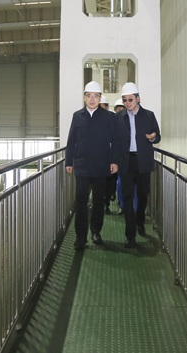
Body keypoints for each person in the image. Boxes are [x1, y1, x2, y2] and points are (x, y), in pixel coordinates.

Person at [65, 81, 119, 250]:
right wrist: (69, 161)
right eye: (89, 96)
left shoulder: (108, 117)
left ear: (100, 98)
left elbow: (115, 141)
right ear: (84, 98)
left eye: (95, 96)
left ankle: (96, 231)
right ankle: (80, 237)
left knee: (98, 200)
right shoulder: (77, 116)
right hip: (81, 166)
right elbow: (72, 140)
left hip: (101, 166)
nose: (92, 99)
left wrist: (114, 161)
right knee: (80, 201)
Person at [115, 82, 161, 248]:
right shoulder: (118, 118)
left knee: (142, 195)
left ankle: (140, 220)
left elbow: (158, 136)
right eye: (125, 100)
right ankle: (130, 235)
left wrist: (153, 137)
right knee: (128, 197)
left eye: (130, 100)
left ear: (138, 98)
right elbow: (115, 141)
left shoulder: (149, 115)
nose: (127, 103)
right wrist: (114, 161)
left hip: (143, 162)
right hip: (126, 162)